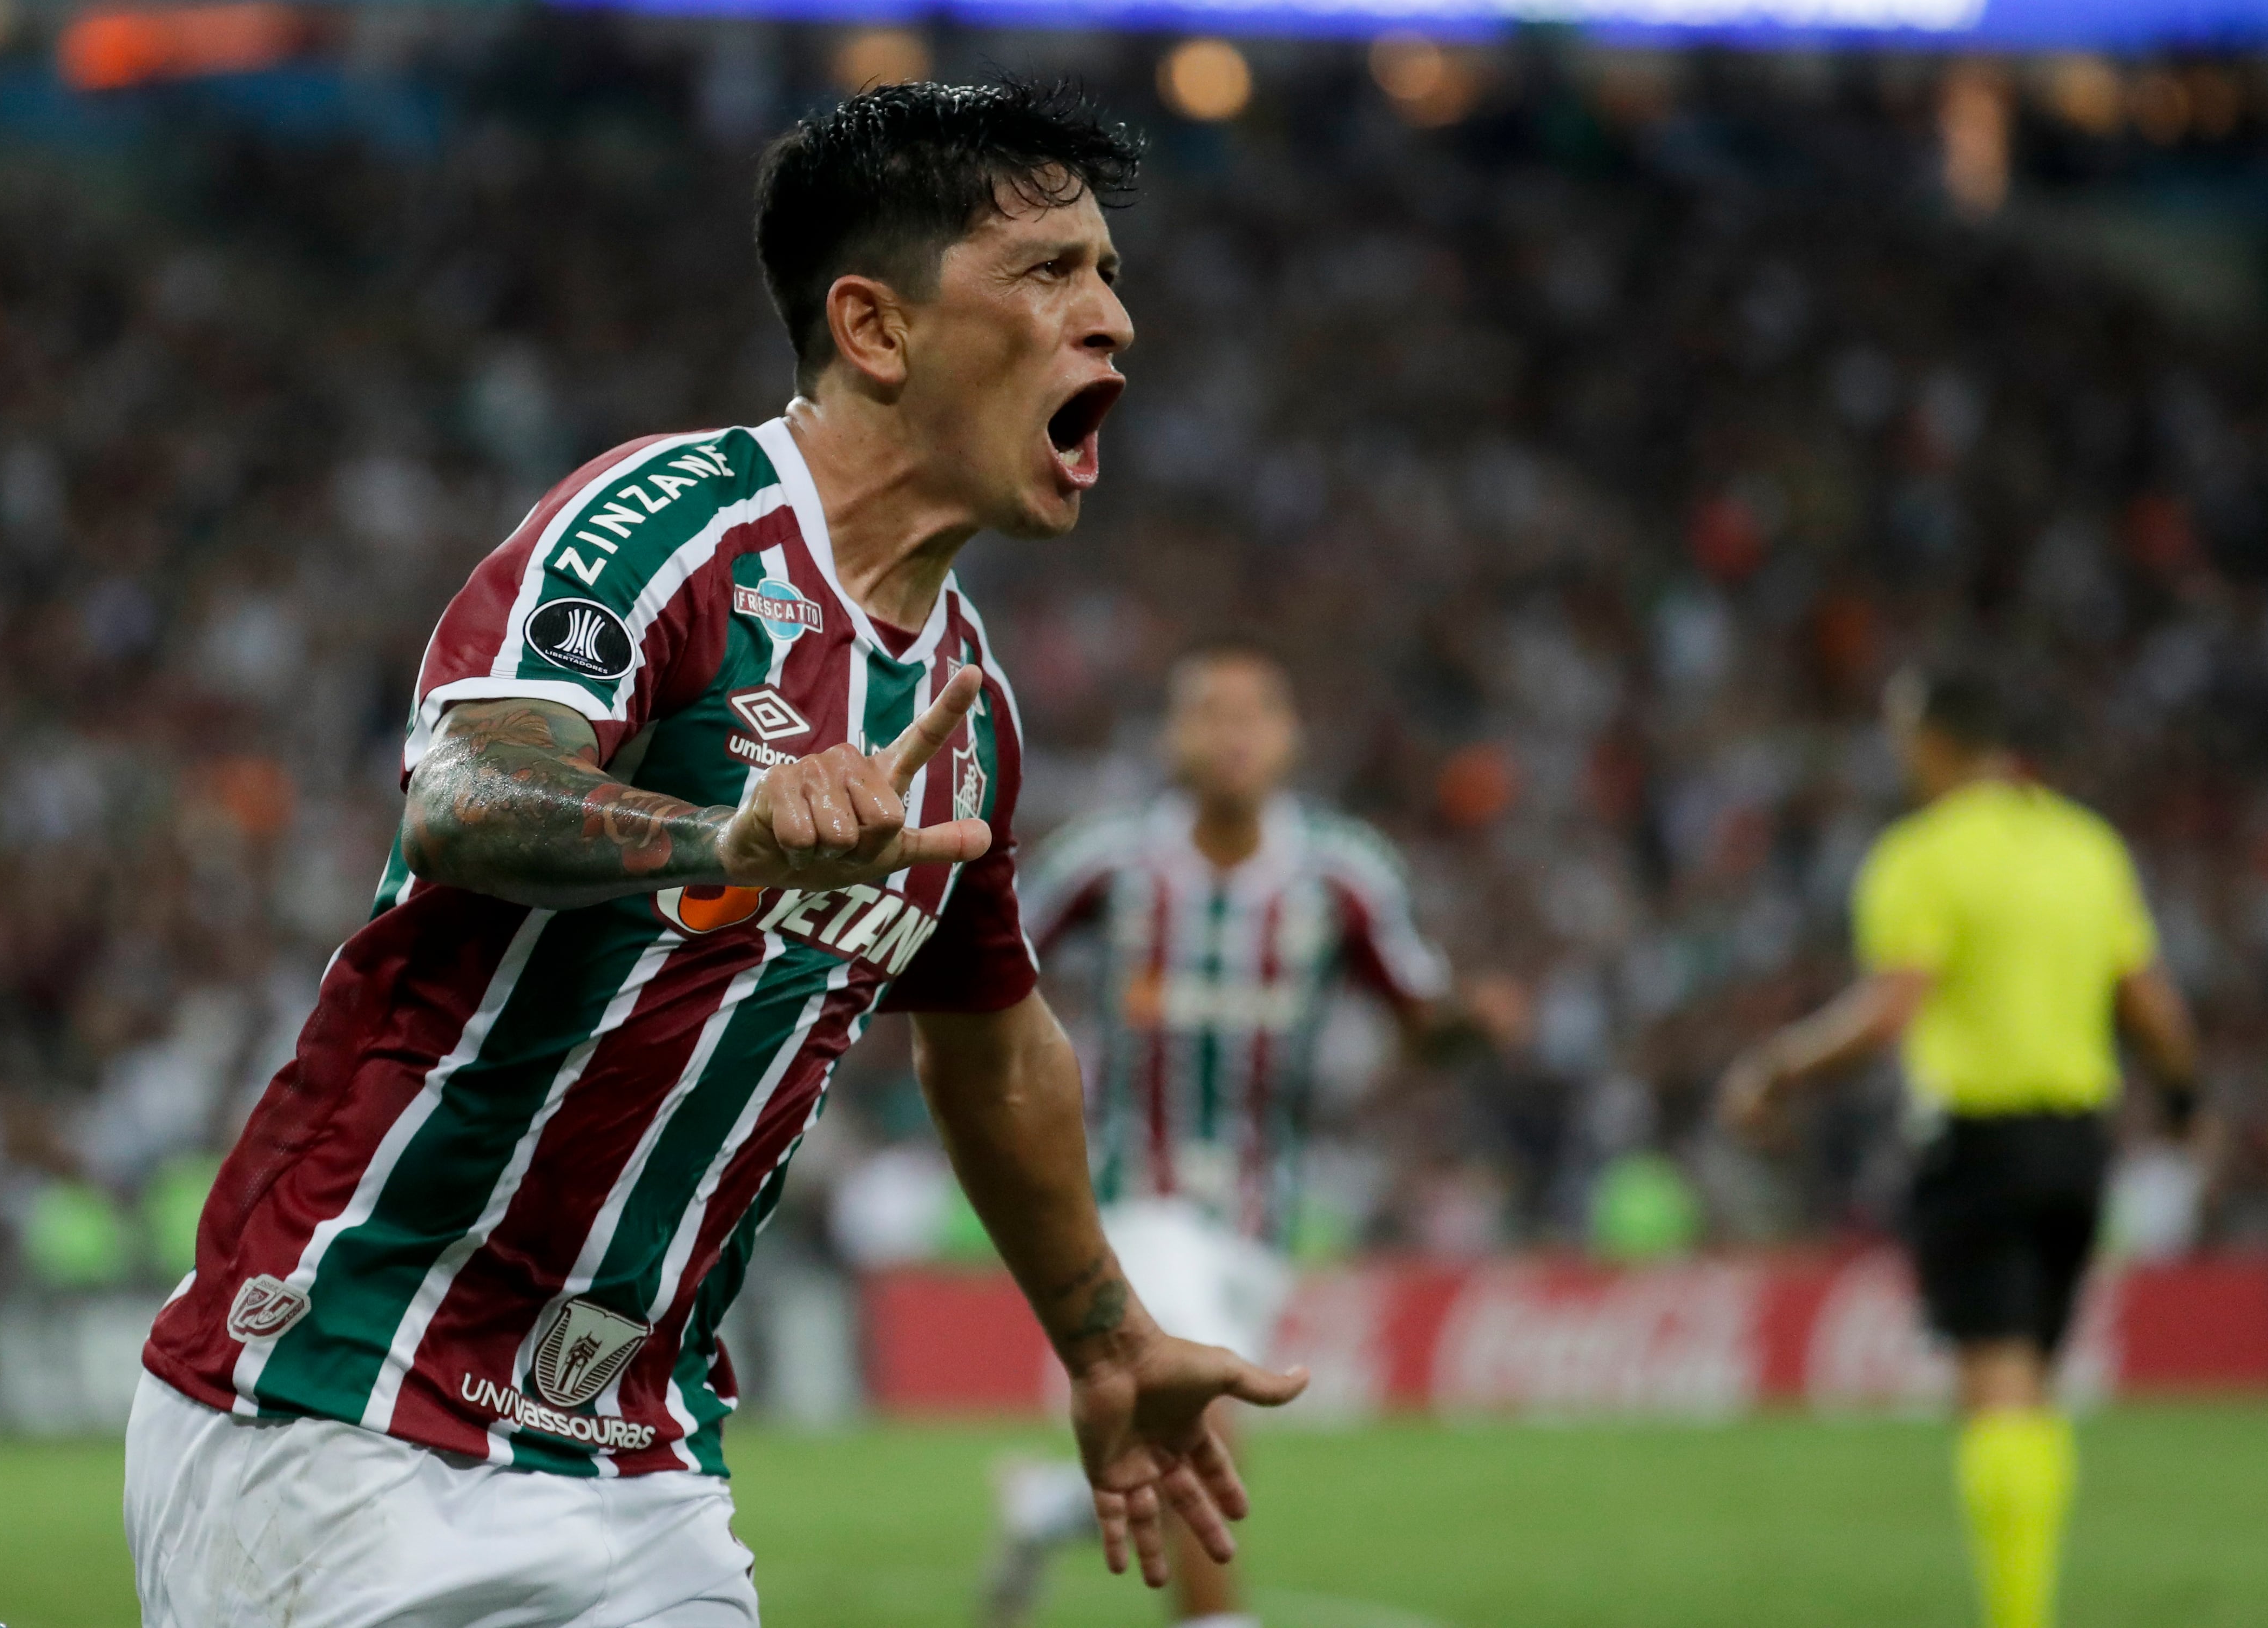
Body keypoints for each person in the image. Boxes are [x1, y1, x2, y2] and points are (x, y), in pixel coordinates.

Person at [124, 80, 1306, 1628]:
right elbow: (467, 791)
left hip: (640, 1459)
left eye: (1110, 276)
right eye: (1050, 273)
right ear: (875, 329)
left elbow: (993, 1039)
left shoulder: (967, 713)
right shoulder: (668, 525)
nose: (1111, 323)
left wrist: (1102, 1337)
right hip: (346, 1397)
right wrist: (721, 835)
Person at [982, 640, 1501, 1628]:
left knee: (1178, 1429)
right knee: (1200, 1414)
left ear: (1290, 738)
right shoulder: (1107, 861)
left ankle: (1042, 1507)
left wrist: (1476, 1022)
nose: (1232, 733)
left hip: (1260, 1218)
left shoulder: (1344, 873)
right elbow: (987, 956)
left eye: (1254, 713)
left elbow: (1418, 1018)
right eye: (1208, 713)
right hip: (1136, 1198)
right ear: (1172, 738)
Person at [1719, 665, 2199, 1628]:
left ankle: (2019, 1619)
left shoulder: (1923, 857)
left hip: (1979, 1143)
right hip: (2079, 1144)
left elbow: (1890, 1007)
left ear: (1933, 743)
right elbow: (2146, 999)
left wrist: (1778, 1068)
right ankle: (2031, 1599)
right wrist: (2183, 1092)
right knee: (2034, 1378)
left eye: (1901, 736)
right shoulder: (2082, 845)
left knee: (1998, 1382)